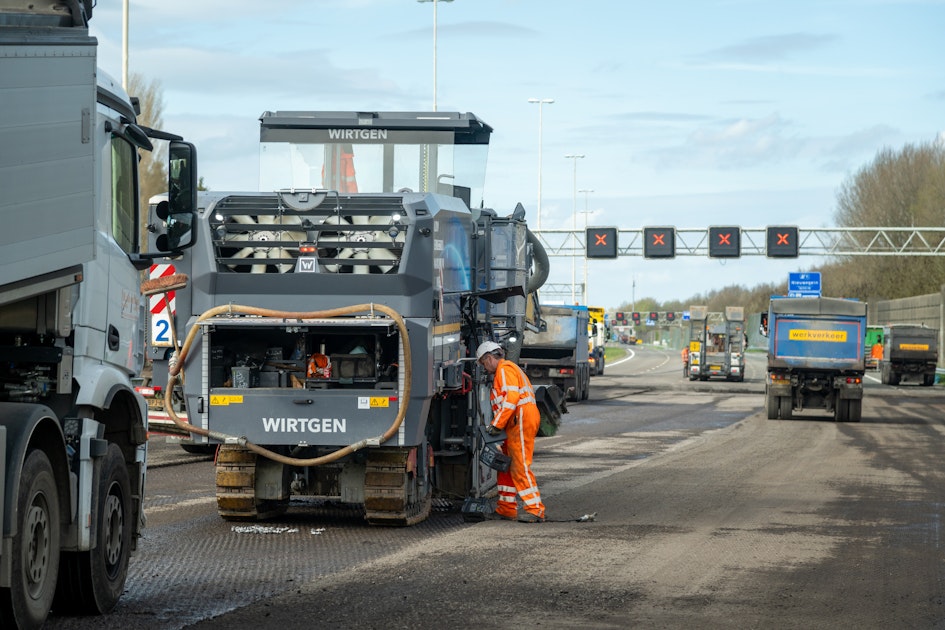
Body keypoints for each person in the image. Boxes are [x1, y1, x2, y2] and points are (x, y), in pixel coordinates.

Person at [476, 340, 546, 523]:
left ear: (490, 358)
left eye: (484, 363)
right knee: (505, 465)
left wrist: (496, 425)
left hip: (520, 418)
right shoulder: (505, 371)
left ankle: (535, 509)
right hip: (515, 420)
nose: (485, 368)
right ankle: (507, 508)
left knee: (519, 465)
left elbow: (511, 398)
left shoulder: (504, 369)